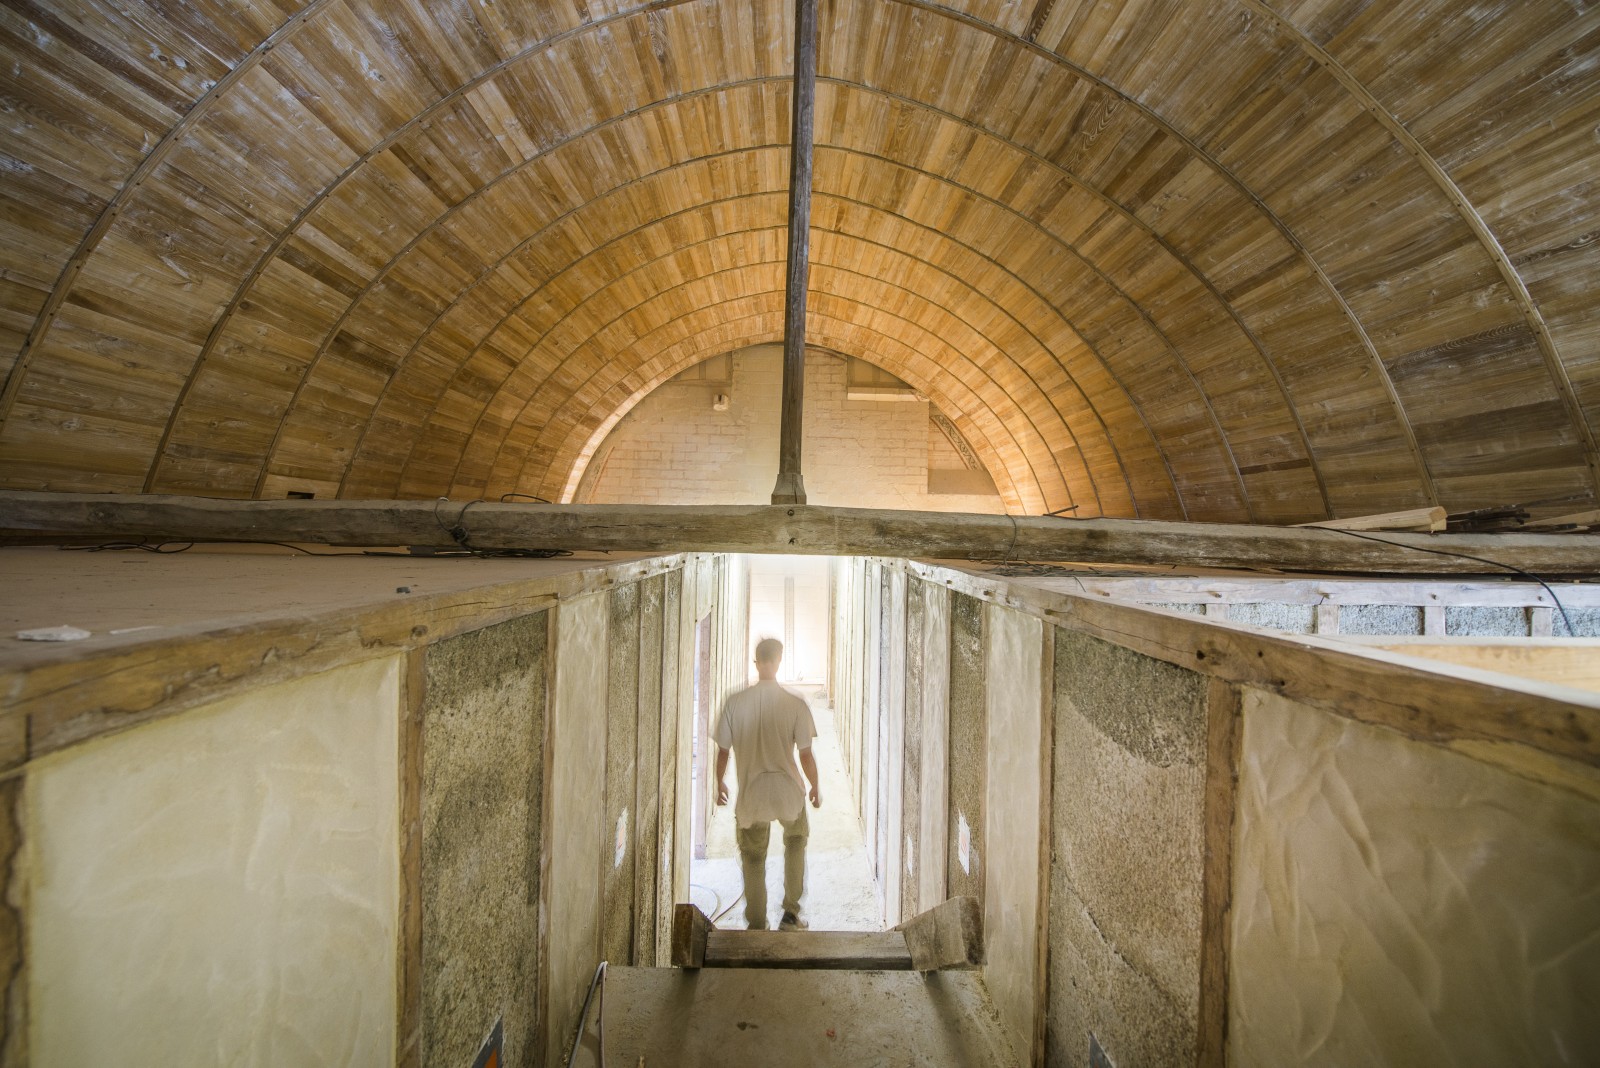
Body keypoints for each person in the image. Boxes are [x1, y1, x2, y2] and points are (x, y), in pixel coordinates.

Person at [713, 637, 822, 931]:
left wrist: (719, 782)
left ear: (756, 662)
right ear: (778, 661)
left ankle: (757, 924)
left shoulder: (734, 703)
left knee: (753, 857)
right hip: (788, 792)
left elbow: (723, 751)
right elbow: (806, 755)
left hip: (752, 795)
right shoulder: (795, 704)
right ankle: (790, 915)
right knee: (796, 842)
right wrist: (815, 786)